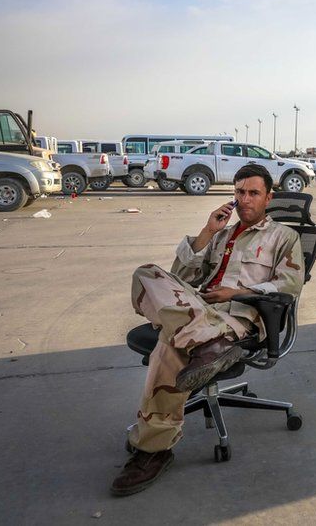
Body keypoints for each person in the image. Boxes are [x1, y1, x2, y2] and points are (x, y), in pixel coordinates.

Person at [111, 164, 305, 496]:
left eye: (253, 193)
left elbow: (289, 286)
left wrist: (236, 293)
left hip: (238, 320)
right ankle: (202, 342)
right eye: (240, 192)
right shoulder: (222, 234)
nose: (245, 199)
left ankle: (153, 450)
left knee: (169, 349)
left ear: (268, 197)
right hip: (200, 312)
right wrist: (206, 232)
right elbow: (182, 278)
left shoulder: (284, 237)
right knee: (147, 273)